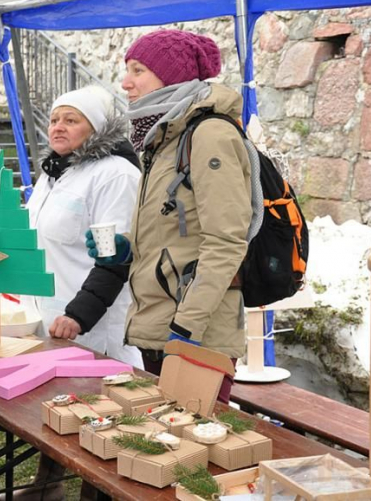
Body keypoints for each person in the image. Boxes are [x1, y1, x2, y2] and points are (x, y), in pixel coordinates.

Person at [89, 29, 253, 402]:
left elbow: (227, 241)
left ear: (172, 77)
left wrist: (186, 327)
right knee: (165, 441)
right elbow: (174, 231)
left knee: (192, 448)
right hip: (160, 321)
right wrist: (125, 248)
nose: (126, 82)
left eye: (138, 70)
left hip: (196, 331)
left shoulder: (209, 135)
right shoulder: (163, 140)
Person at [28, 86, 143, 368]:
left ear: (96, 128)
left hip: (91, 328)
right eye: (54, 120)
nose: (58, 128)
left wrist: (79, 316)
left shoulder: (114, 174)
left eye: (71, 120)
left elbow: (115, 259)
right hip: (47, 324)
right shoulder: (52, 175)